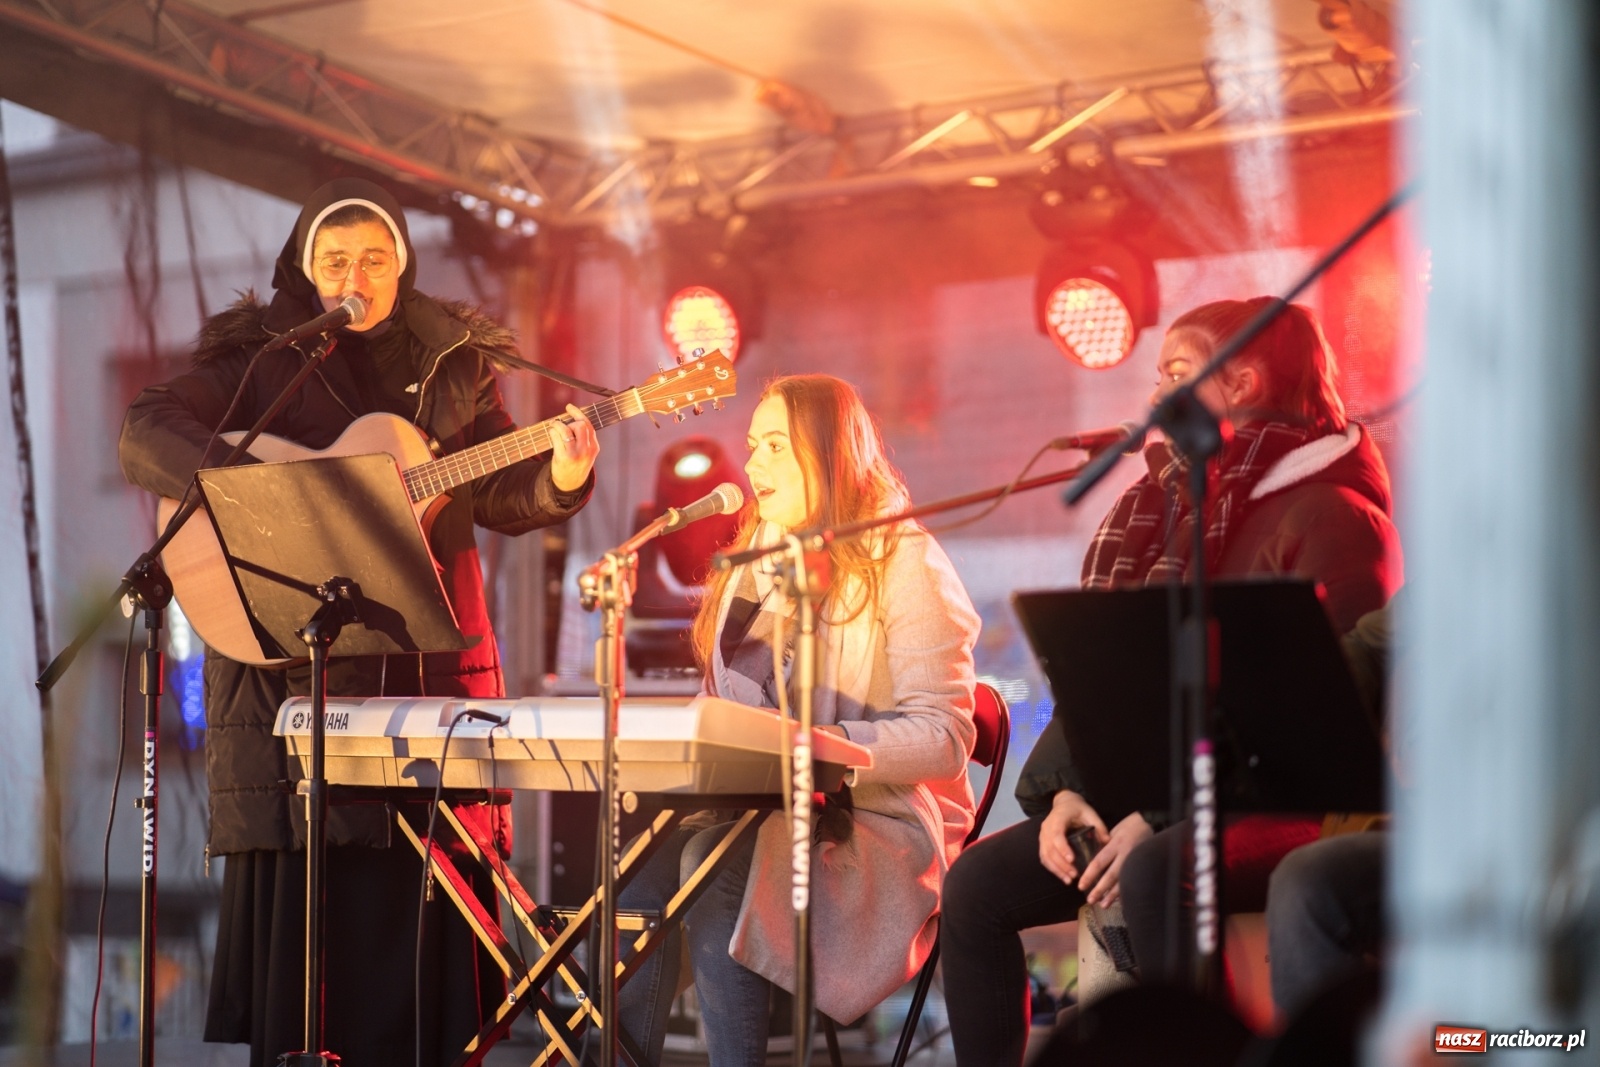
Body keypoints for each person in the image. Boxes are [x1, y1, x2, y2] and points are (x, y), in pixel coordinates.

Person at [118, 178, 599, 1067]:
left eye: (373, 259)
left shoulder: (452, 361)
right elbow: (147, 427)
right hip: (288, 677)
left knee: (420, 933)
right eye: (335, 260)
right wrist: (263, 493)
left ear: (402, 266)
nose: (355, 274)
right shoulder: (260, 358)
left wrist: (561, 476)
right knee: (312, 947)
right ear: (305, 269)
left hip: (423, 675)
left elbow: (498, 488)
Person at [939, 297, 1403, 1066]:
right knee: (978, 886)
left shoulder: (1333, 512)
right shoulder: (1165, 506)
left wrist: (1154, 813)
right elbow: (1107, 678)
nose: (1156, 396)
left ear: (1246, 379)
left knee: (1159, 865)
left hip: (1280, 802)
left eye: (1179, 373)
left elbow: (1318, 721)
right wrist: (1066, 793)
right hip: (1153, 792)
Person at [617, 374, 981, 1066]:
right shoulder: (755, 562)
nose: (752, 467)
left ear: (828, 452)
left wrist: (824, 747)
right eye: (752, 446)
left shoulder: (904, 560)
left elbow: (946, 737)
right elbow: (730, 711)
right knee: (629, 896)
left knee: (712, 865)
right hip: (757, 813)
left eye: (775, 446)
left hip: (874, 823)